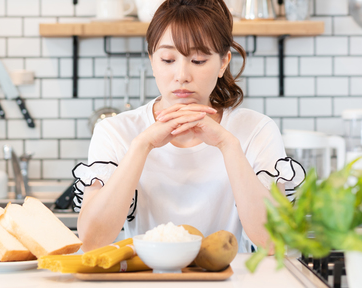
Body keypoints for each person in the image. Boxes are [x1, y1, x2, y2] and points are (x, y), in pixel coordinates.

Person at [72, 0, 304, 253]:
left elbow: (274, 242)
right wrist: (142, 145)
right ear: (152, 60)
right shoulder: (116, 131)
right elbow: (93, 240)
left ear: (224, 62)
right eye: (168, 59)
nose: (181, 75)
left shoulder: (256, 129)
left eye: (198, 60)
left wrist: (228, 145)